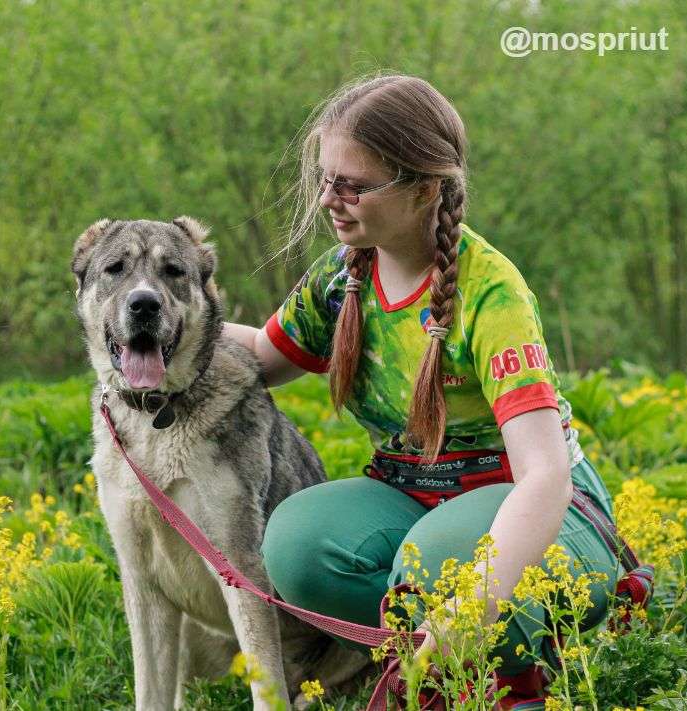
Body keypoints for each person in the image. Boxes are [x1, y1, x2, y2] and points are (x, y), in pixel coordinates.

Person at [223, 73, 621, 710]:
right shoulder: (341, 277)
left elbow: (545, 478)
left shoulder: (492, 293)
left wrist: (475, 604)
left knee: (434, 564)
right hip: (415, 500)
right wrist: (167, 324)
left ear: (425, 189)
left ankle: (503, 670)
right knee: (297, 544)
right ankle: (441, 659)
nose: (331, 198)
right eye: (325, 179)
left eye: (355, 184)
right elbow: (262, 357)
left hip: (542, 516)